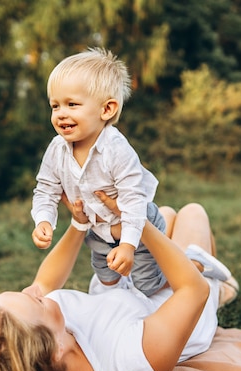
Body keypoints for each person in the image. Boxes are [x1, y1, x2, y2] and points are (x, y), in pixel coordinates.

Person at [0, 193, 239, 371]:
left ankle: (216, 281)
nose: (34, 292)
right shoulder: (127, 365)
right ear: (55, 349)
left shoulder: (39, 339)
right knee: (191, 213)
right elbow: (192, 290)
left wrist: (79, 223)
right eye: (34, 301)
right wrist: (136, 221)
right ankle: (219, 287)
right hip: (177, 300)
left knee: (166, 214)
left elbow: (44, 282)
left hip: (128, 297)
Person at [31, 47, 168, 297]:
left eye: (72, 104)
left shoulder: (116, 150)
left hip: (137, 226)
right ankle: (118, 299)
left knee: (149, 285)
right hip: (98, 232)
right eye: (55, 106)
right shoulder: (57, 149)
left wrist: (128, 245)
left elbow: (133, 201)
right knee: (106, 281)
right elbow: (46, 190)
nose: (61, 113)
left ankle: (191, 262)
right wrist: (43, 220)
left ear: (106, 110)